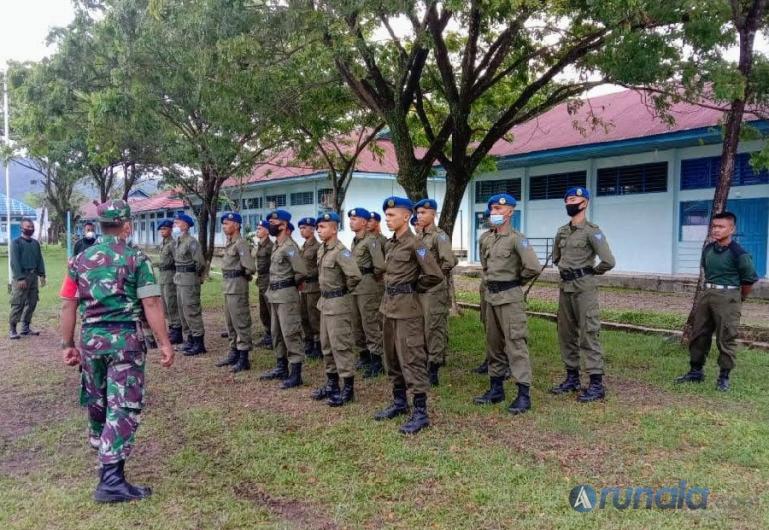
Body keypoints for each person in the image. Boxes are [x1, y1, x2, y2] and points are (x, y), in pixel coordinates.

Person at [59, 199, 174, 503]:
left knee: (98, 400)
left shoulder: (79, 260)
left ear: (100, 226)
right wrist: (164, 343)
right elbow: (150, 303)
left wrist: (68, 345)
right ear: (126, 225)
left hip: (91, 342)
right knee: (123, 406)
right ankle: (110, 481)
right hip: (125, 342)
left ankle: (103, 455)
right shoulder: (137, 258)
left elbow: (68, 304)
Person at [374, 196, 444, 435]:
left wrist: (414, 288)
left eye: (392, 215)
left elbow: (435, 274)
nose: (388, 219)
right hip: (388, 308)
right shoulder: (390, 244)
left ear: (406, 216)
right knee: (392, 358)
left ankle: (421, 412)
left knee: (411, 358)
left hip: (407, 310)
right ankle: (399, 403)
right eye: (386, 215)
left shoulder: (416, 244)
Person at [473, 194, 541, 415]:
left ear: (510, 212)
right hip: (491, 297)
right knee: (493, 343)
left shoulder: (517, 239)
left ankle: (523, 394)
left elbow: (532, 267)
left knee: (515, 344)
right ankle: (496, 388)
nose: (495, 212)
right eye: (492, 208)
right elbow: (486, 265)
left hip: (510, 298)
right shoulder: (486, 239)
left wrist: (515, 282)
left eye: (500, 209)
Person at [675, 211, 758, 391]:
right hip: (708, 294)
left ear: (732, 229)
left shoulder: (739, 253)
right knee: (699, 334)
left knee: (726, 336)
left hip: (728, 297)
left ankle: (724, 377)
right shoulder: (708, 249)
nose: (716, 230)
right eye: (714, 226)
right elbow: (707, 269)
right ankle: (695, 371)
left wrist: (738, 298)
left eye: (721, 227)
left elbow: (749, 280)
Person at [549, 187, 616, 402]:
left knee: (589, 332)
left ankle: (596, 384)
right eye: (567, 199)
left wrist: (590, 272)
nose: (570, 202)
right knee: (566, 333)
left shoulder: (592, 231)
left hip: (584, 287)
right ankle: (572, 378)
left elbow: (608, 261)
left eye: (574, 199)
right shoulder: (562, 231)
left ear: (585, 203)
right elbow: (556, 258)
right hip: (565, 287)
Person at [311, 212, 363, 406]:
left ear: (334, 229)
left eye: (323, 227)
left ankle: (348, 388)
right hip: (324, 304)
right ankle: (332, 384)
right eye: (318, 227)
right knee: (326, 346)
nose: (319, 230)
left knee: (341, 346)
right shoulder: (322, 250)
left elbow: (355, 276)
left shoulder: (341, 251)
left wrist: (343, 292)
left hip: (338, 305)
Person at [259, 209, 308, 388]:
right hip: (274, 296)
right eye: (270, 223)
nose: (271, 226)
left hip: (287, 296)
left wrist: (289, 284)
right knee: (276, 333)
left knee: (291, 333)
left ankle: (296, 374)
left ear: (284, 225)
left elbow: (301, 271)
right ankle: (281, 367)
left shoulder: (290, 247)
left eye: (274, 223)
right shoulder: (277, 246)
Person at [414, 198, 457, 386]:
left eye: (423, 212)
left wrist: (434, 276)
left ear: (433, 214)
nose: (419, 216)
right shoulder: (419, 237)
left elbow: (449, 261)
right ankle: (425, 361)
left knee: (434, 327)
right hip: (420, 287)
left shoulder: (439, 236)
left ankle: (434, 367)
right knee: (422, 327)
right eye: (418, 213)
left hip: (434, 289)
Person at [216, 212, 257, 372]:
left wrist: (241, 276)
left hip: (237, 287)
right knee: (230, 322)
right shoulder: (230, 243)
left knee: (240, 322)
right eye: (224, 223)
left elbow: (250, 267)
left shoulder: (240, 243)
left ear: (237, 225)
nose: (224, 226)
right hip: (228, 286)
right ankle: (233, 352)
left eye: (227, 223)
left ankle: (243, 357)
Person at [348, 207, 386, 377]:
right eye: (350, 219)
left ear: (364, 222)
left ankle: (376, 361)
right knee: (356, 324)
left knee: (370, 323)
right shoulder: (355, 241)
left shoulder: (371, 240)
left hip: (368, 286)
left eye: (355, 219)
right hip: (354, 287)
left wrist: (372, 279)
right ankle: (363, 356)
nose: (351, 221)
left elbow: (380, 266)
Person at [172, 213, 207, 356]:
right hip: (179, 279)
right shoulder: (178, 240)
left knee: (191, 310)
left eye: (178, 223)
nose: (175, 226)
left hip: (189, 280)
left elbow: (200, 263)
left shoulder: (191, 242)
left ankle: (199, 343)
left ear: (185, 225)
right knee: (182, 311)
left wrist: (195, 277)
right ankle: (190, 339)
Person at [9, 218, 46, 340]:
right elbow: (14, 262)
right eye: (27, 227)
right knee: (18, 302)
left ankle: (25, 327)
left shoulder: (35, 243)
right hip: (21, 276)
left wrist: (42, 275)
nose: (30, 228)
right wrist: (20, 278)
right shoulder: (16, 243)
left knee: (32, 302)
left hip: (33, 276)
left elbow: (39, 259)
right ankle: (13, 329)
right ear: (21, 228)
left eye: (31, 226)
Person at [298, 217, 322, 360]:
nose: (302, 230)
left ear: (312, 229)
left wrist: (306, 275)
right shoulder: (304, 246)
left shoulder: (317, 247)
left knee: (314, 318)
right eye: (300, 228)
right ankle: (309, 342)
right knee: (304, 316)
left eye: (304, 228)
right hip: (304, 287)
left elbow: (319, 268)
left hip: (314, 287)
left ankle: (318, 346)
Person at [473, 210, 493, 374]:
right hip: (486, 285)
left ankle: (505, 361)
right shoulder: (484, 237)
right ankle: (490, 359)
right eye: (488, 217)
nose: (489, 220)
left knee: (504, 327)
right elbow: (483, 261)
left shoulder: (514, 237)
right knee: (488, 324)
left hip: (504, 288)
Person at [157, 220, 182, 345]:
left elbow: (177, 260)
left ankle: (177, 331)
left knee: (172, 303)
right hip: (162, 276)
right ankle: (172, 328)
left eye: (165, 229)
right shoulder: (162, 243)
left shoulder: (173, 244)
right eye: (161, 229)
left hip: (170, 276)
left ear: (170, 230)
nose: (162, 231)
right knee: (165, 305)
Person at [252, 219, 274, 348]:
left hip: (269, 281)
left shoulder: (270, 246)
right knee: (263, 310)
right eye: (257, 228)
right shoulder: (259, 245)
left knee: (270, 309)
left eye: (260, 228)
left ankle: (274, 336)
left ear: (266, 230)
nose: (257, 230)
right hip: (261, 281)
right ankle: (268, 334)